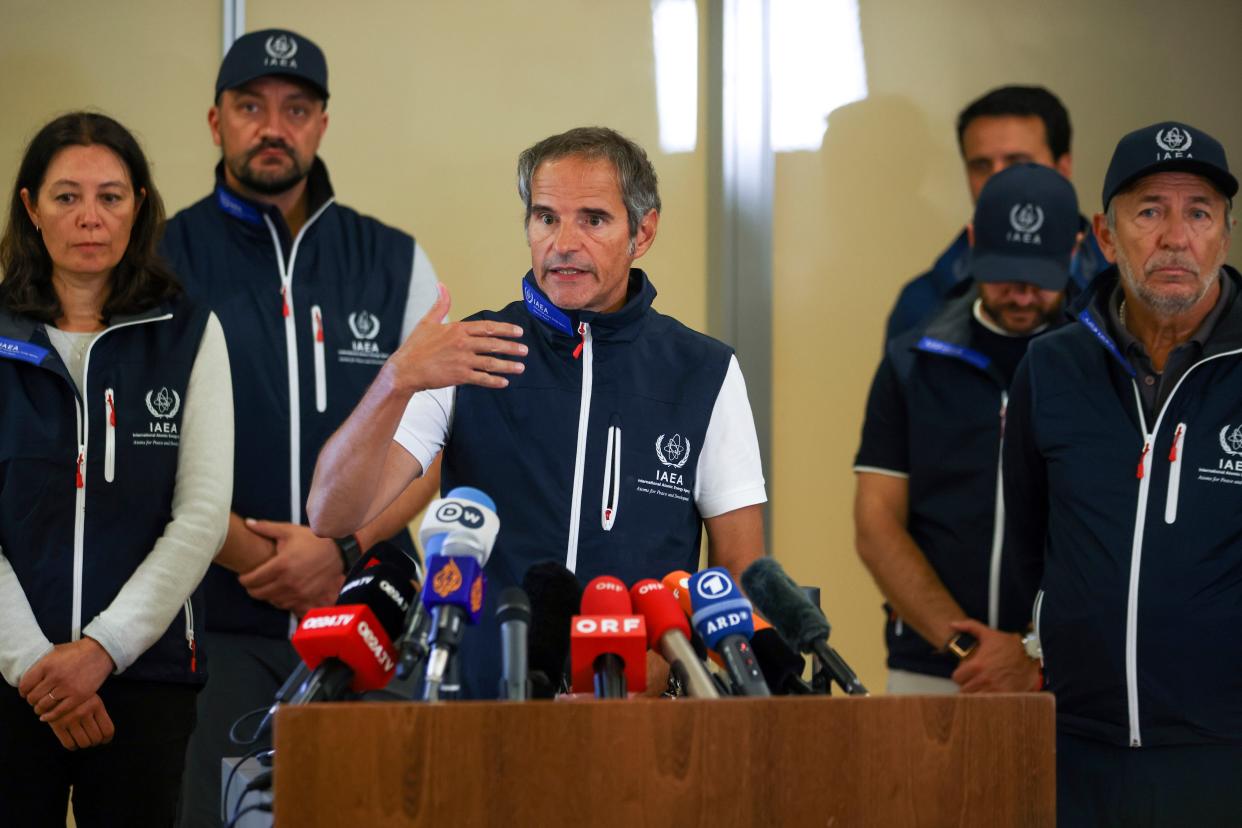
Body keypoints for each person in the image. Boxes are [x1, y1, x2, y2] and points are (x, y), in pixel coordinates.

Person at [306, 126, 769, 699]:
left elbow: (740, 574)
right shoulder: (467, 353)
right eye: (546, 217)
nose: (563, 242)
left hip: (640, 721)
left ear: (641, 233)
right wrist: (395, 380)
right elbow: (330, 514)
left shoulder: (704, 371)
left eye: (593, 220)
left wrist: (673, 665)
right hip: (479, 708)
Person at [159, 29, 441, 825]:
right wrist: (264, 562)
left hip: (371, 614)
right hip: (216, 622)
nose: (272, 127)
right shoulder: (161, 257)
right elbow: (150, 449)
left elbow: (433, 446)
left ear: (321, 123)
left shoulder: (394, 261)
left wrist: (339, 553)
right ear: (216, 122)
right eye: (250, 107)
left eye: (295, 109)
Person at [1004, 121, 1242, 826]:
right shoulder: (1051, 367)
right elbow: (1028, 545)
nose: (1175, 236)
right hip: (1079, 750)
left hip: (1225, 752)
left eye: (1198, 211)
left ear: (1225, 233)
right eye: (1149, 212)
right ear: (1107, 238)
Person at [0, 112, 232, 826]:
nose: (90, 218)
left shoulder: (189, 333)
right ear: (32, 207)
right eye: (67, 196)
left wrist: (101, 650)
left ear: (139, 206)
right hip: (11, 678)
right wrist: (34, 665)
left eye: (111, 196)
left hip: (144, 677)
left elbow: (200, 516)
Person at [854, 164, 1076, 695]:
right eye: (1005, 274)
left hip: (1062, 673)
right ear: (974, 242)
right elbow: (876, 521)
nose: (1023, 295)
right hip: (932, 665)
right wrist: (970, 650)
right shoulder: (913, 359)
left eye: (1040, 278)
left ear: (1074, 251)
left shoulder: (1097, 369)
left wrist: (1029, 655)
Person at [885, 85, 1106, 342]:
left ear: (1063, 168)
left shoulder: (1125, 288)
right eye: (981, 165)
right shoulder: (923, 304)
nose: (998, 179)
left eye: (1018, 162)